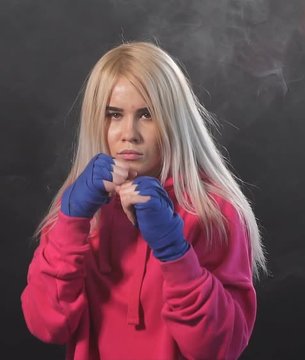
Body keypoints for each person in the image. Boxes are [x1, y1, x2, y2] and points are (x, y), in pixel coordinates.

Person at [20, 41, 268, 360]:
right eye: (114, 114)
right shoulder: (81, 210)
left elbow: (219, 348)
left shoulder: (215, 213)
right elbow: (46, 325)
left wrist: (174, 250)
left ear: (173, 120)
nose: (129, 133)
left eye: (147, 115)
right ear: (98, 119)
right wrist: (71, 222)